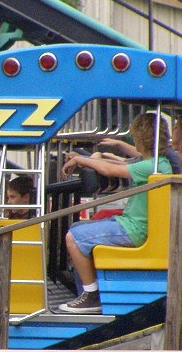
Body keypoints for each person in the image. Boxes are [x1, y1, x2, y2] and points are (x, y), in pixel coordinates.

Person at [59, 112, 172, 314]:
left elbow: (110, 171)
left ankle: (91, 296)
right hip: (132, 223)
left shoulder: (153, 166)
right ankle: (87, 291)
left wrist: (84, 160)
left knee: (73, 237)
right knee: (78, 227)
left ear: (141, 137)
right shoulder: (156, 162)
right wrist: (89, 158)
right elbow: (122, 164)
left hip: (135, 229)